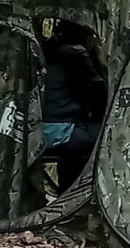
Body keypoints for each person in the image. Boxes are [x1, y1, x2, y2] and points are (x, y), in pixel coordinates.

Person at [41, 20, 108, 189]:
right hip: (57, 131)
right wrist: (97, 56)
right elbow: (100, 90)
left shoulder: (54, 51)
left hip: (48, 127)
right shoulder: (75, 53)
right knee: (109, 136)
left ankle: (66, 192)